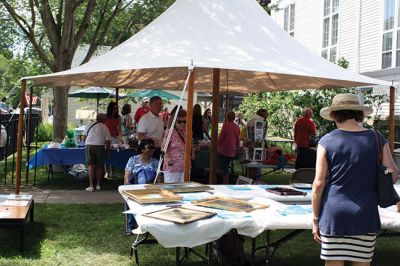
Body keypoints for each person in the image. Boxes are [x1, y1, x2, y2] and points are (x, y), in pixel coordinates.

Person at [312, 93, 399, 265]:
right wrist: (381, 171)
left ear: (335, 115)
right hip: (365, 214)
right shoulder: (377, 138)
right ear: (359, 114)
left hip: (334, 215)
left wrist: (315, 219)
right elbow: (394, 174)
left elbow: (319, 184)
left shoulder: (326, 141)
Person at [124, 139, 158, 235]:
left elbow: (159, 178)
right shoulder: (133, 160)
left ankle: (149, 225)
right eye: (150, 147)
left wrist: (160, 189)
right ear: (142, 149)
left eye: (153, 147)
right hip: (135, 188)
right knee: (129, 201)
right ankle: (131, 227)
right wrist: (127, 188)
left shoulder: (155, 162)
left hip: (150, 190)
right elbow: (127, 175)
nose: (152, 149)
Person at [82, 113, 111, 192]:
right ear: (104, 120)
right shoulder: (105, 127)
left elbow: (83, 137)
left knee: (91, 166)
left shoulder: (89, 124)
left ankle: (91, 186)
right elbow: (108, 142)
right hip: (100, 146)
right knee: (99, 166)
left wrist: (86, 143)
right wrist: (108, 151)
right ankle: (98, 185)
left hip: (89, 145)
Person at [162, 108, 192, 183]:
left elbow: (190, 145)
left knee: (184, 189)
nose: (182, 124)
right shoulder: (169, 132)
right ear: (175, 121)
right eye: (179, 122)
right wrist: (167, 158)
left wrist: (192, 153)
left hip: (185, 166)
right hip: (172, 167)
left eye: (184, 122)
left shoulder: (189, 132)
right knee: (171, 190)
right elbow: (163, 147)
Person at [217, 111, 240, 184]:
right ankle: (225, 181)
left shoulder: (226, 125)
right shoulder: (237, 127)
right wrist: (237, 148)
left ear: (227, 117)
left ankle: (225, 182)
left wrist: (218, 144)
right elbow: (237, 139)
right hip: (232, 150)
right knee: (226, 167)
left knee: (224, 169)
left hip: (224, 149)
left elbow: (221, 137)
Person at [104, 102, 121, 178]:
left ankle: (112, 172)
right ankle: (107, 172)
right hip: (106, 138)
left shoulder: (118, 117)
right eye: (114, 108)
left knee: (113, 155)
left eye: (117, 108)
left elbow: (120, 128)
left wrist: (120, 138)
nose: (116, 110)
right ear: (110, 108)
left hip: (115, 138)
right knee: (107, 154)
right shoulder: (105, 117)